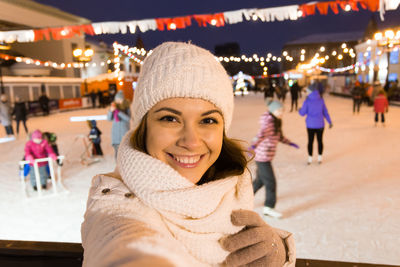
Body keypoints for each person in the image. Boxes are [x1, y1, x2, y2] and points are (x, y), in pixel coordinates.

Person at [81, 42, 295, 267]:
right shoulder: (117, 206)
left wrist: (281, 253)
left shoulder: (233, 191)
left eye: (208, 120)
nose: (191, 142)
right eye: (170, 118)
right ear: (143, 126)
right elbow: (124, 243)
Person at [250, 100, 299, 218]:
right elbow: (261, 134)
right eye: (279, 110)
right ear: (273, 111)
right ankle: (269, 208)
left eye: (282, 110)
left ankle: (243, 199)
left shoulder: (276, 121)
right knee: (270, 182)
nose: (282, 112)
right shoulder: (269, 122)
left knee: (260, 181)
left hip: (265, 156)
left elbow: (279, 137)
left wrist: (290, 143)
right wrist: (252, 146)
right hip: (262, 157)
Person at [299, 83, 333, 165]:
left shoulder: (307, 101)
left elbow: (302, 113)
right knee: (320, 140)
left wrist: (299, 109)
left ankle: (310, 158)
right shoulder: (321, 100)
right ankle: (319, 158)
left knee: (310, 141)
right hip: (320, 124)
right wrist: (329, 121)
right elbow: (325, 112)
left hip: (310, 125)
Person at [107, 90, 130, 159]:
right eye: (117, 100)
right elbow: (109, 119)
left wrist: (118, 112)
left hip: (124, 133)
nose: (118, 101)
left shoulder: (126, 108)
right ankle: (118, 166)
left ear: (123, 100)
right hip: (116, 134)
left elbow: (128, 118)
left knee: (125, 152)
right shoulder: (113, 107)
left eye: (120, 99)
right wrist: (111, 111)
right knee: (117, 153)